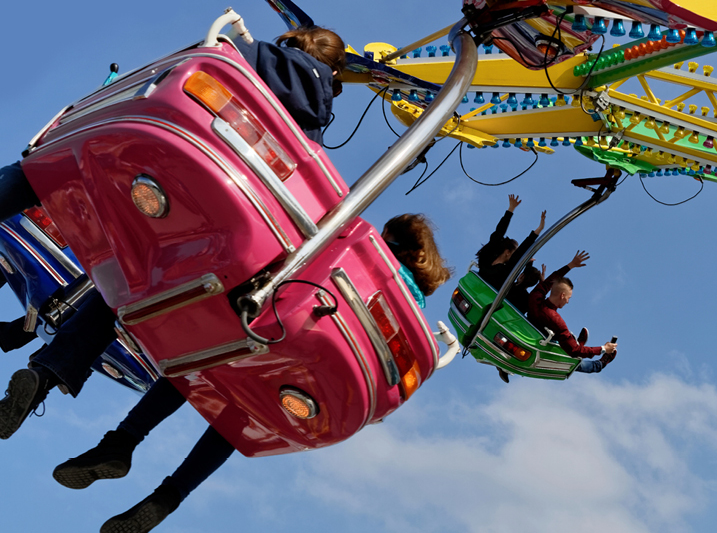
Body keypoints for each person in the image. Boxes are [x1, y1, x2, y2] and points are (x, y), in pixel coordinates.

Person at [0, 26, 346, 440]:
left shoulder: (246, 56)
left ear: (293, 40)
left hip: (164, 160)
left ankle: (29, 325)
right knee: (131, 290)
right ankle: (45, 374)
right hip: (207, 216)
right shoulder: (312, 138)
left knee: (43, 170)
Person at [52, 213, 451, 533]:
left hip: (299, 329)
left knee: (193, 364)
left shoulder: (371, 262)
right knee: (242, 416)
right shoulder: (411, 311)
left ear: (398, 244)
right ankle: (167, 498)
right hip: (316, 376)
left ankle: (122, 442)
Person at [523, 250, 617, 380]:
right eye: (568, 298)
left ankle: (576, 341)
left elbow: (552, 279)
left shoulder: (535, 296)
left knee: (569, 340)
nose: (568, 302)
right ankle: (599, 364)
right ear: (562, 296)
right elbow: (574, 351)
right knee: (573, 358)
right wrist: (603, 348)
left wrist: (571, 265)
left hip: (529, 333)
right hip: (545, 348)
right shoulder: (556, 320)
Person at [476, 194, 545, 313]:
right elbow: (498, 233)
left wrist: (537, 231)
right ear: (507, 252)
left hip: (485, 300)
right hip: (476, 292)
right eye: (513, 252)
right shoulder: (488, 258)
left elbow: (520, 252)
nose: (515, 256)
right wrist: (510, 210)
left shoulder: (501, 269)